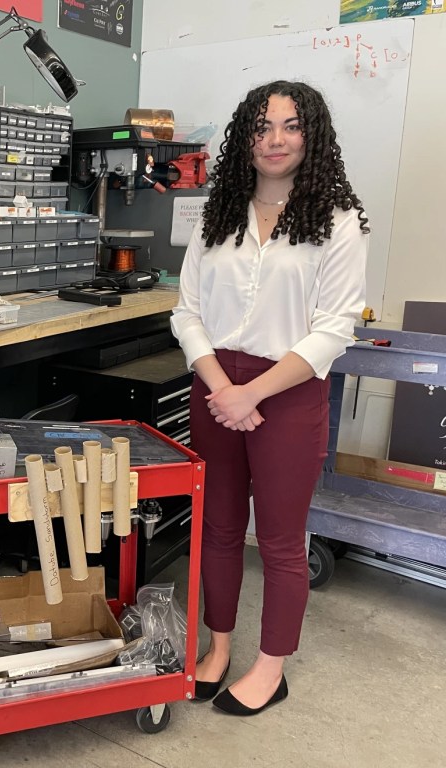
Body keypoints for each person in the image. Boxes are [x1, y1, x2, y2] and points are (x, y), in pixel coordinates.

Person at [169, 80, 369, 716]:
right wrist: (222, 388)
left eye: (289, 126)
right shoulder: (215, 215)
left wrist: (248, 392)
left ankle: (271, 666)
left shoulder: (338, 220)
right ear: (244, 139)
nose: (275, 140)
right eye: (261, 127)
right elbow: (186, 313)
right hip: (215, 386)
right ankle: (219, 645)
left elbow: (335, 329)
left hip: (288, 391)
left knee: (280, 540)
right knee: (220, 530)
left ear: (311, 135)